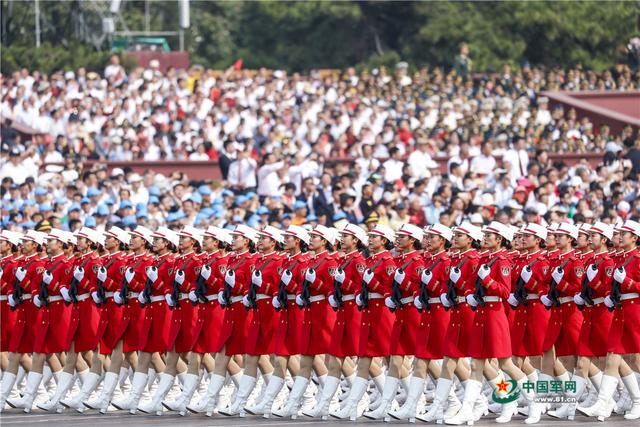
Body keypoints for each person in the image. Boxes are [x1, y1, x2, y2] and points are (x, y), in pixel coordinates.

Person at [549, 221, 615, 419]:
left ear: (603, 239)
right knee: (582, 361)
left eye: (593, 235)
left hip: (601, 311)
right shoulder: (589, 260)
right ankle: (571, 406)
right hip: (589, 311)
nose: (587, 238)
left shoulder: (606, 262)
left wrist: (587, 283)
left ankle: (624, 398)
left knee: (617, 359)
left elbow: (606, 290)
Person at [303, 223, 367, 419]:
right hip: (341, 310)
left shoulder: (356, 261)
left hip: (353, 311)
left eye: (346, 236)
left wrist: (336, 285)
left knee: (363, 359)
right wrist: (332, 292)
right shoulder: (343, 260)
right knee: (336, 358)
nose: (342, 239)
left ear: (355, 240)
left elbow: (360, 286)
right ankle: (326, 403)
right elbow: (334, 286)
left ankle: (362, 399)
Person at [333, 224, 397, 420]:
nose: (370, 240)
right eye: (369, 237)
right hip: (369, 310)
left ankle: (399, 401)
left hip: (383, 312)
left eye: (374, 237)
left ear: (384, 241)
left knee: (391, 359)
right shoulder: (370, 260)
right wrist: (360, 293)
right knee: (364, 359)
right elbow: (361, 286)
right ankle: (354, 405)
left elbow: (389, 288)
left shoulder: (386, 261)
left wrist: (369, 285)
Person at [274, 225, 338, 418]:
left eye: (316, 237)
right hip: (305, 309)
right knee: (307, 358)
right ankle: (300, 402)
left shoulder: (326, 261)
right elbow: (299, 287)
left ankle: (331, 400)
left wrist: (306, 284)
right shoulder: (308, 260)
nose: (312, 239)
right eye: (311, 236)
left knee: (326, 357)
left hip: (321, 310)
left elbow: (328, 288)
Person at [578, 219, 640, 421]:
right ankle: (603, 405)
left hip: (634, 311)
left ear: (635, 238)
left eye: (624, 233)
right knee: (613, 357)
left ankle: (636, 401)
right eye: (619, 233)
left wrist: (628, 282)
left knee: (635, 359)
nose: (620, 236)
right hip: (620, 310)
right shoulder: (621, 259)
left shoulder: (637, 258)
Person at [420, 222, 482, 423]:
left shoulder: (470, 260)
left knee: (487, 364)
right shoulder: (454, 259)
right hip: (454, 310)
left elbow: (473, 287)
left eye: (460, 235)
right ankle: (443, 406)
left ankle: (503, 398)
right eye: (454, 234)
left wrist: (449, 286)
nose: (455, 238)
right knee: (450, 360)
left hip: (468, 311)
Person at [219, 225, 283, 416]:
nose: (261, 240)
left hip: (271, 310)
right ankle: (241, 402)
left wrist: (253, 287)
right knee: (253, 355)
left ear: (273, 242)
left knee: (275, 356)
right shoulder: (252, 260)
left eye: (264, 238)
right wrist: (240, 291)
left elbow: (279, 289)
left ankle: (278, 396)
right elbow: (247, 285)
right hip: (254, 309)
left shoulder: (272, 260)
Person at [364, 223, 425, 420]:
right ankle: (389, 404)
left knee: (425, 360)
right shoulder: (397, 260)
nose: (398, 240)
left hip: (412, 311)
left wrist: (376, 284)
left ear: (412, 241)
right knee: (395, 358)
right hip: (399, 310)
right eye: (397, 237)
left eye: (402, 237)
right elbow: (390, 287)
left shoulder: (415, 260)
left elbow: (417, 288)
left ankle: (427, 401)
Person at [198, 225, 257, 416]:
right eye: (232, 236)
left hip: (244, 309)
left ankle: (250, 396)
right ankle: (211, 401)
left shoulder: (251, 260)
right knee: (222, 353)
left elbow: (250, 288)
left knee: (254, 356)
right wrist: (224, 290)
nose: (233, 240)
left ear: (246, 240)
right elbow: (224, 284)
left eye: (237, 237)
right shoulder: (232, 259)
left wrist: (232, 287)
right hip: (231, 309)